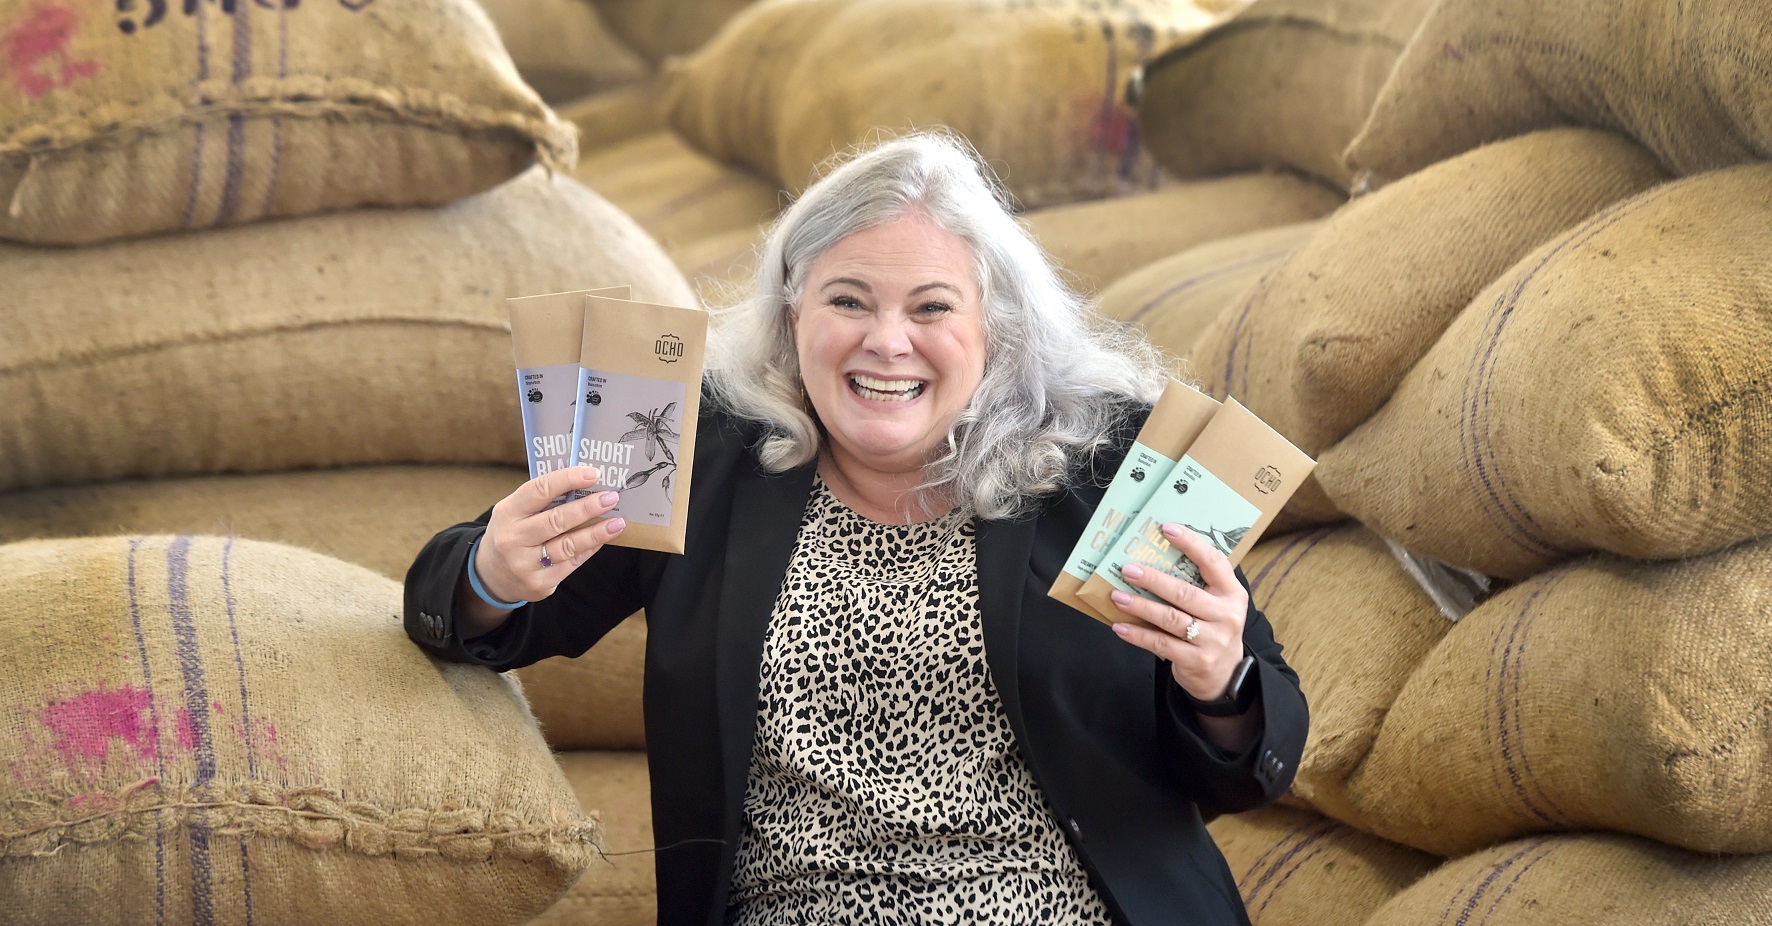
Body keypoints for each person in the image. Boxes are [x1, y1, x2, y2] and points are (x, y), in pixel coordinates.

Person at [404, 132, 1307, 926]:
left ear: (993, 329)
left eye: (930, 307)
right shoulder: (697, 455)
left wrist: (1221, 683)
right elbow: (470, 609)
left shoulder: (1104, 464)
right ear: (792, 316)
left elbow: (1253, 764)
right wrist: (491, 573)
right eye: (847, 301)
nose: (886, 342)